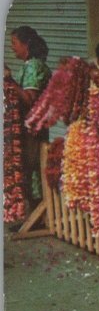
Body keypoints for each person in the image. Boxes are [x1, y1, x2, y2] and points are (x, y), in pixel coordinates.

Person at [3, 25, 51, 213]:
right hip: (29, 128)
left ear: (26, 44)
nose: (12, 47)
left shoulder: (34, 66)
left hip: (33, 130)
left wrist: (9, 80)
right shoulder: (30, 65)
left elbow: (30, 98)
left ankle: (37, 215)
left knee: (32, 168)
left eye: (14, 43)